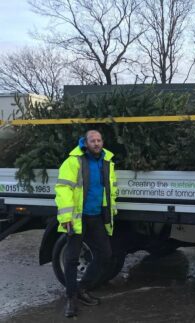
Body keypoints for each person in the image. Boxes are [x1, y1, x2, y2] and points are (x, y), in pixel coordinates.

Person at [55, 130, 118, 318]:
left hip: (97, 216)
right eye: (93, 141)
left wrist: (110, 211)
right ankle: (71, 298)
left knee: (105, 254)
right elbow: (63, 188)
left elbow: (110, 188)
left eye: (99, 140)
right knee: (72, 258)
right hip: (77, 218)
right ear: (86, 142)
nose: (96, 143)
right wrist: (66, 218)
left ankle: (82, 288)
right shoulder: (74, 161)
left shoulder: (107, 161)